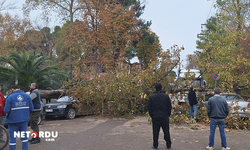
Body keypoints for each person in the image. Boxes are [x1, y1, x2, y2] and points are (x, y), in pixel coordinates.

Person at [4, 85, 34, 150]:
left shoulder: (10, 97)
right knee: (24, 138)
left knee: (12, 139)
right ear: (19, 88)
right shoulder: (27, 96)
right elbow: (31, 108)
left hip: (12, 121)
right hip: (23, 120)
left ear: (12, 89)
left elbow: (6, 110)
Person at [148, 83, 172, 149]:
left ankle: (155, 145)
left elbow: (150, 108)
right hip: (164, 116)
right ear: (161, 88)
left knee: (155, 132)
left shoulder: (152, 97)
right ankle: (168, 144)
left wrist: (152, 115)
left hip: (155, 116)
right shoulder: (166, 96)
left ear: (155, 89)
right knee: (166, 131)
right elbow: (169, 106)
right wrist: (168, 114)